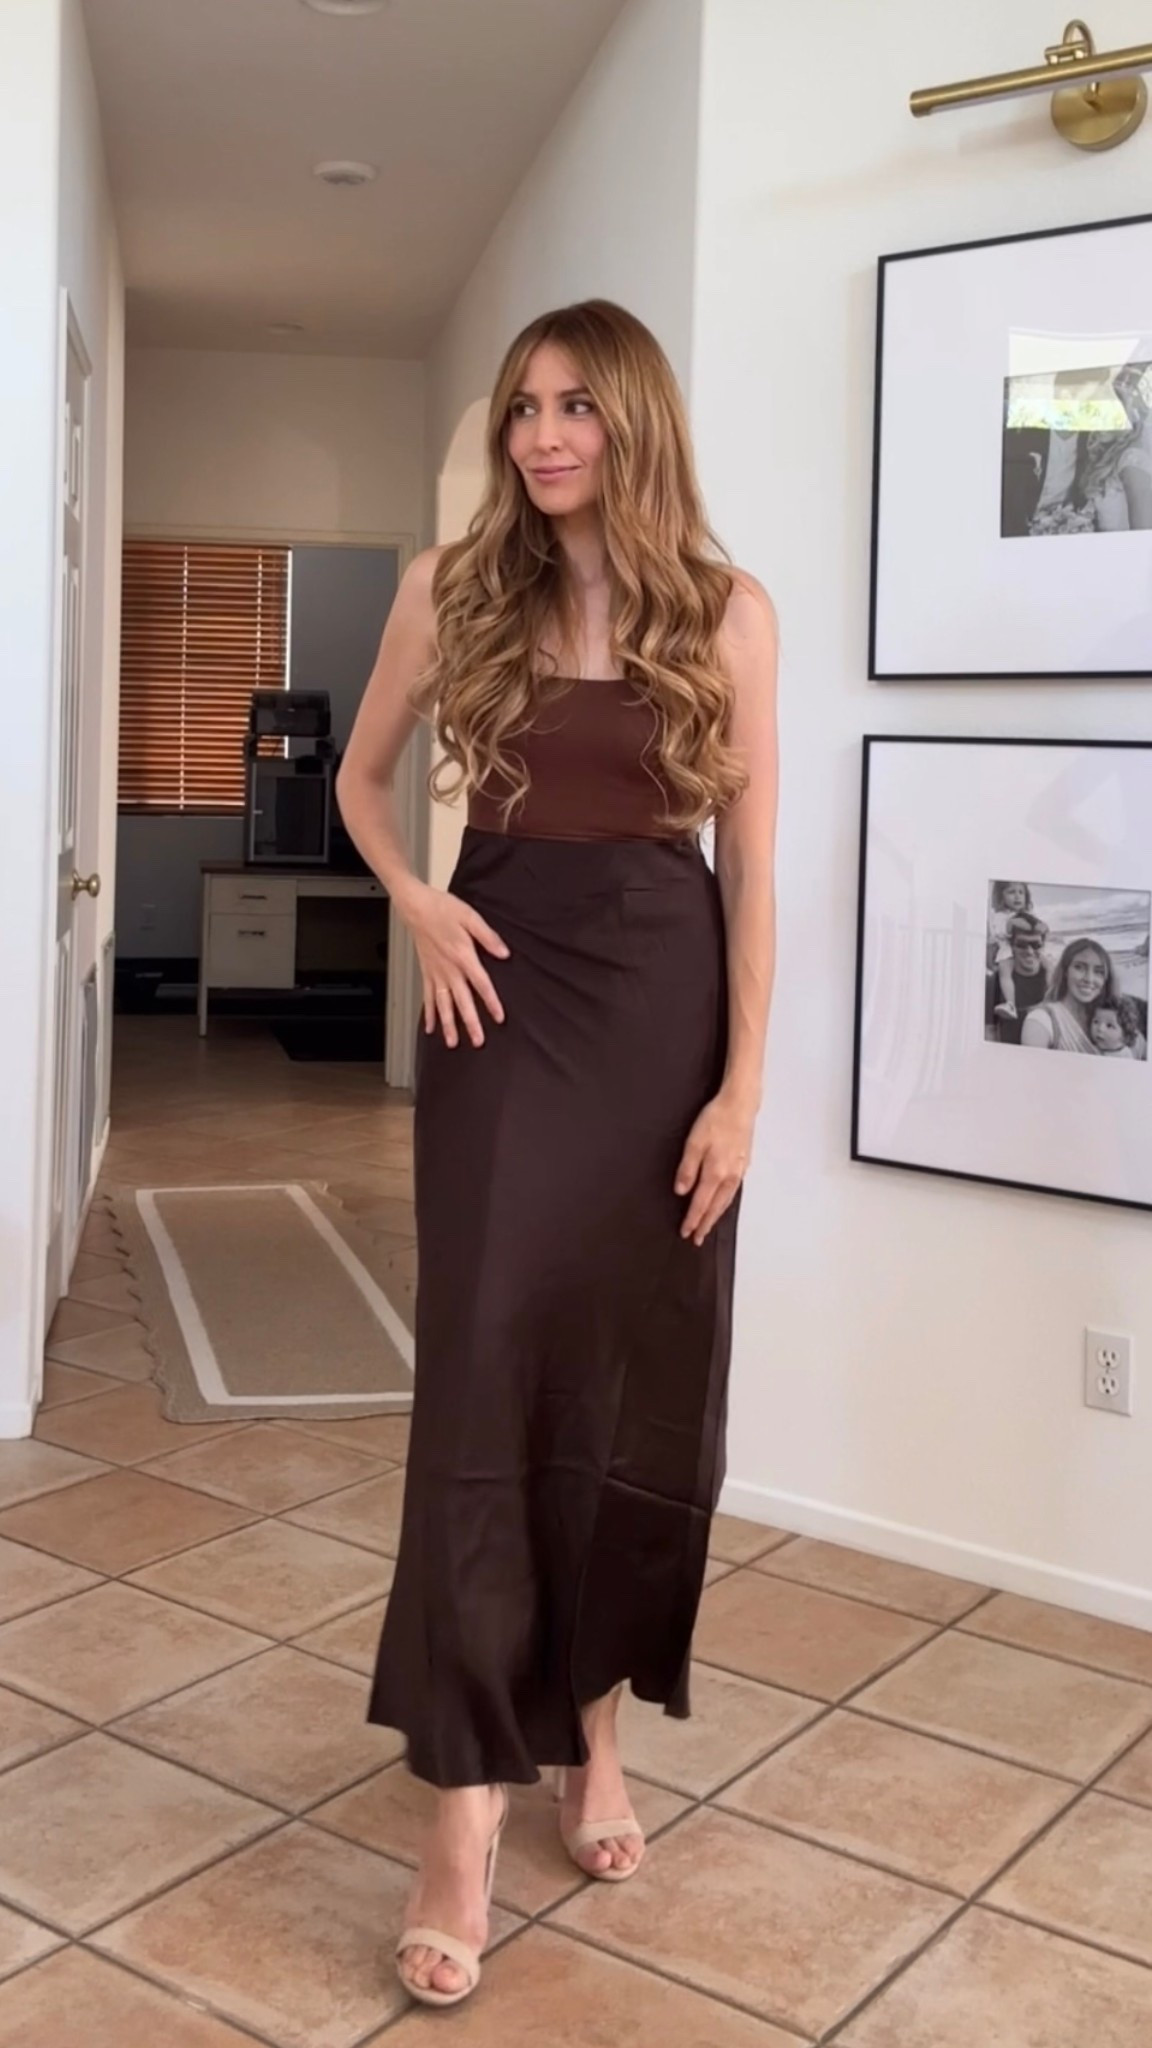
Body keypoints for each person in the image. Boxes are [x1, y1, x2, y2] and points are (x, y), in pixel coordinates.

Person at [336, 299, 778, 2009]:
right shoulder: (450, 588)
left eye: (576, 405)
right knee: (482, 1385)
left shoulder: (728, 613)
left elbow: (754, 874)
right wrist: (416, 896)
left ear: (634, 421)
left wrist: (741, 1089)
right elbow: (366, 785)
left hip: (666, 1019)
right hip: (501, 1004)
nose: (542, 435)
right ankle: (462, 1810)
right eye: (523, 406)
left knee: (629, 1387)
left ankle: (593, 1735)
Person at [1020, 939, 1115, 1054]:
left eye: (1098, 972)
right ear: (1065, 971)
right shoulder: (1041, 1020)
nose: (1089, 979)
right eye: (1079, 967)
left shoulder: (1113, 1018)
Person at [991, 912, 1050, 1044]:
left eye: (1036, 945)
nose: (1029, 951)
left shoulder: (1052, 971)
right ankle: (1010, 1004)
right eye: (1022, 944)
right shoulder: (993, 982)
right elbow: (989, 1031)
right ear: (1011, 945)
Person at [988, 882, 1035, 1016]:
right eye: (1011, 892)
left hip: (1027, 948)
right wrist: (1012, 923)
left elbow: (1036, 929)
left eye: (1021, 892)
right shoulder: (1000, 915)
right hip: (1008, 949)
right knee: (1005, 973)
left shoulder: (1027, 914)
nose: (1017, 896)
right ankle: (1011, 1004)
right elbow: (999, 931)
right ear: (1001, 896)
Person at [1090, 995, 1145, 1059]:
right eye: (1096, 1021)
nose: (1100, 1028)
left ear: (1125, 1034)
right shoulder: (1090, 1048)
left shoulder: (1125, 1057)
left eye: (1109, 1025)